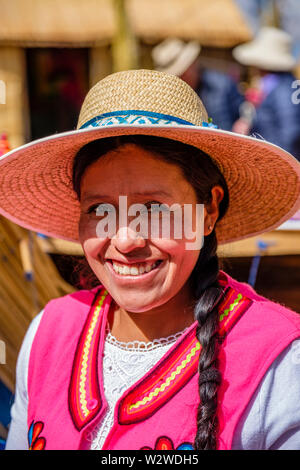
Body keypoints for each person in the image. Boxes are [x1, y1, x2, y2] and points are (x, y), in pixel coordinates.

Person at [1, 69, 300, 451]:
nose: (126, 240)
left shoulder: (280, 361)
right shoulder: (48, 333)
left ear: (208, 209)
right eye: (100, 210)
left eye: (155, 208)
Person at [232, 26, 300, 161]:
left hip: (280, 161)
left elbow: (290, 133)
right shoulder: (273, 85)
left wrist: (276, 161)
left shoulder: (285, 90)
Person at [152, 38, 243, 131]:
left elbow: (242, 113)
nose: (180, 80)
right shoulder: (168, 98)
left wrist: (243, 122)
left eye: (182, 73)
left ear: (192, 64)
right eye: (177, 76)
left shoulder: (222, 84)